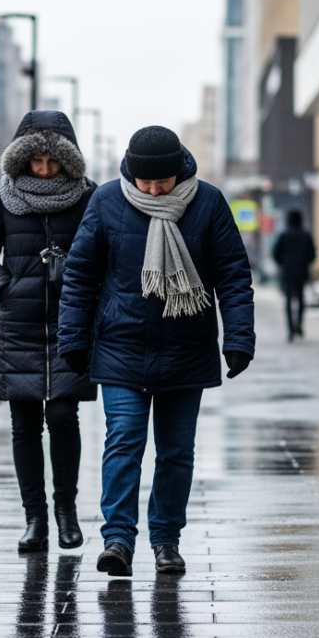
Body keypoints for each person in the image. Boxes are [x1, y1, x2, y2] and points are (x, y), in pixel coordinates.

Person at [58, 126, 255, 577]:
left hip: (187, 349)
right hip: (121, 347)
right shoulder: (107, 201)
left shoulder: (207, 202)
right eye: (145, 182)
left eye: (161, 183)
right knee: (124, 441)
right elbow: (81, 277)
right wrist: (72, 338)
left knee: (175, 452)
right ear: (131, 172)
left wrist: (240, 337)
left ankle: (166, 540)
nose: (152, 190)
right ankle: (118, 540)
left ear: (179, 171)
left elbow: (232, 276)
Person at [0, 110, 96, 553]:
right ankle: (35, 519)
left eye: (52, 161)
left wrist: (84, 289)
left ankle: (66, 512)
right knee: (24, 425)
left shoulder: (88, 197)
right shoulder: (2, 195)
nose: (44, 169)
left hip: (70, 325)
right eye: (36, 161)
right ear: (23, 160)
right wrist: (4, 286)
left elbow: (103, 254)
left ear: (67, 161)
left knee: (63, 416)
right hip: (16, 327)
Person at [272, 210, 317, 341]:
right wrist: (304, 262)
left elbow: (275, 253)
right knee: (301, 300)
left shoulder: (284, 235)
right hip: (302, 272)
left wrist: (283, 263)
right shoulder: (306, 235)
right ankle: (300, 325)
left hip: (287, 272)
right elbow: (313, 254)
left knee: (288, 300)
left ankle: (291, 329)